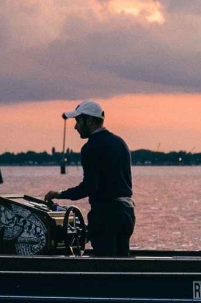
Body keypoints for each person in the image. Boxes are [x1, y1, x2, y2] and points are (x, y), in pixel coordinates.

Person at [44, 100, 134, 255]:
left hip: (106, 216)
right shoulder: (120, 143)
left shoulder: (90, 148)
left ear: (90, 121)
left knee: (105, 268)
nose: (75, 126)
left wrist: (60, 194)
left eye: (78, 121)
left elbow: (90, 186)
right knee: (122, 265)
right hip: (127, 213)